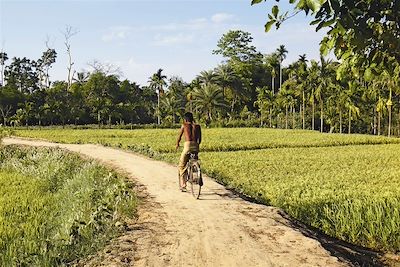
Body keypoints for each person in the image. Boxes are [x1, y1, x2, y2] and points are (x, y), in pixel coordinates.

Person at [176, 112, 201, 191]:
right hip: (196, 146)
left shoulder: (184, 125)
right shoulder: (197, 126)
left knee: (181, 165)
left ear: (185, 119)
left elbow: (179, 137)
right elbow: (199, 139)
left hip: (187, 145)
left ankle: (183, 185)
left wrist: (177, 144)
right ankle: (197, 174)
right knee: (195, 159)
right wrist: (196, 145)